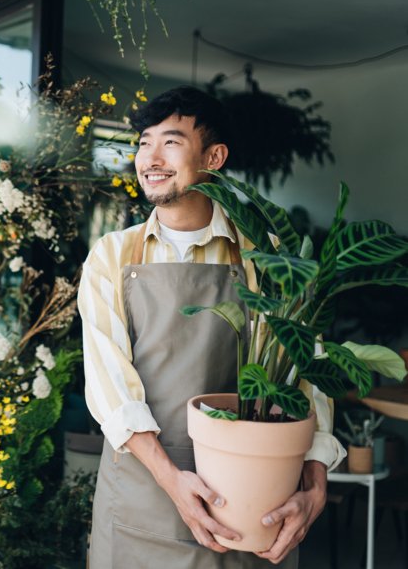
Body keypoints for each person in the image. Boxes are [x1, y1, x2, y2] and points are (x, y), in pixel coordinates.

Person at [78, 86, 344, 568]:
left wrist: (315, 487)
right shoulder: (112, 257)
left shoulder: (267, 259)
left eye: (172, 142)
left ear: (215, 156)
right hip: (142, 498)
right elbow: (110, 389)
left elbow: (308, 374)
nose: (151, 159)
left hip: (249, 506)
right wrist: (173, 483)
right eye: (144, 142)